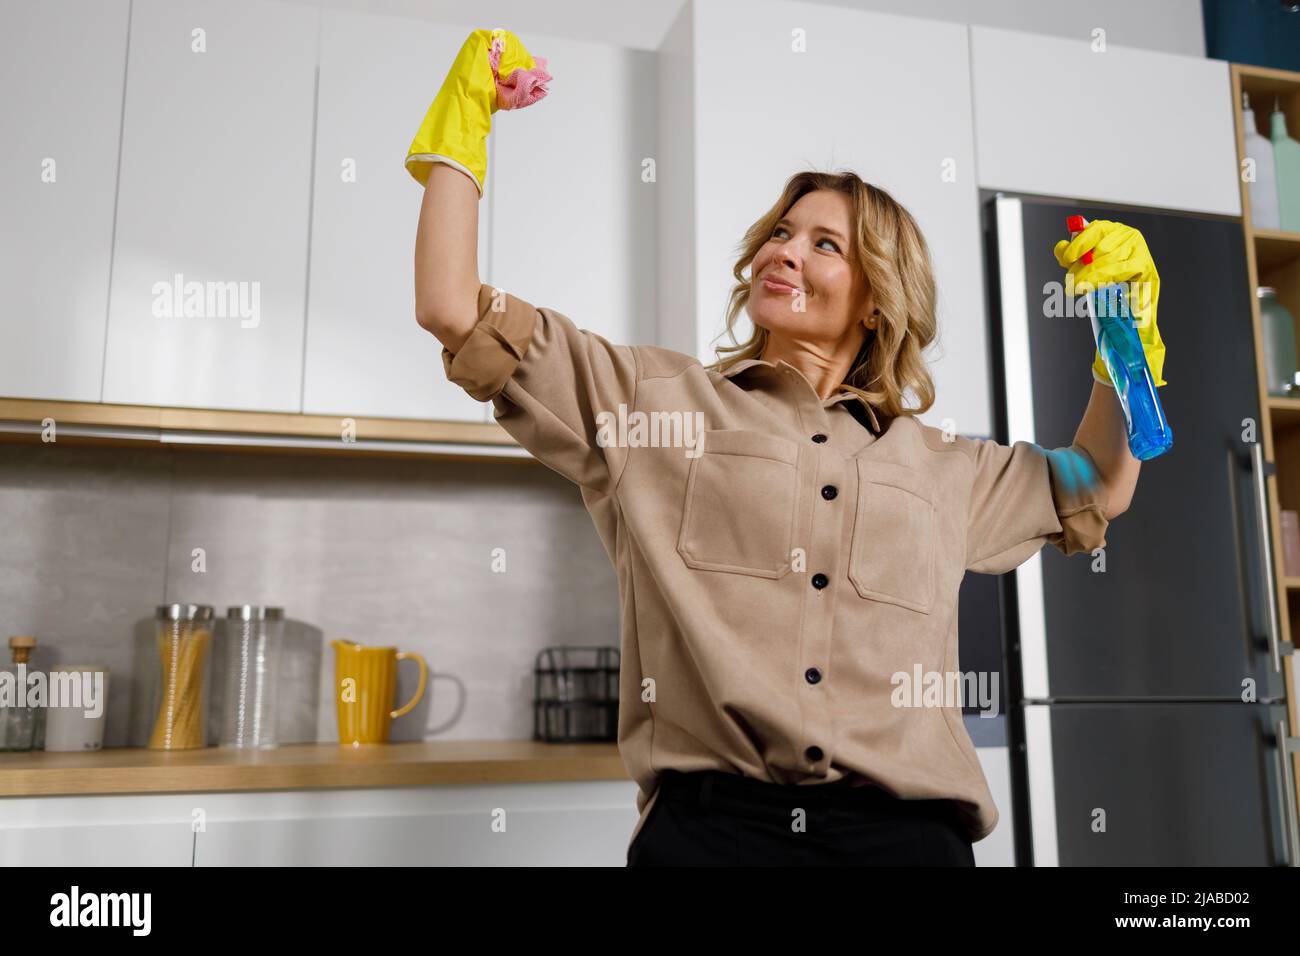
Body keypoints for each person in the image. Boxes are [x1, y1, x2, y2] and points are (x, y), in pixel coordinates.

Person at [407, 29, 1164, 867]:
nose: (784, 251)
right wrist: (463, 124)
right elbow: (454, 309)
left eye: (823, 244)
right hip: (711, 836)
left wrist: (1123, 334)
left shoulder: (944, 467)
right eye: (781, 232)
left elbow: (1098, 480)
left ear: (877, 300)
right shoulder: (650, 405)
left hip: (907, 841)